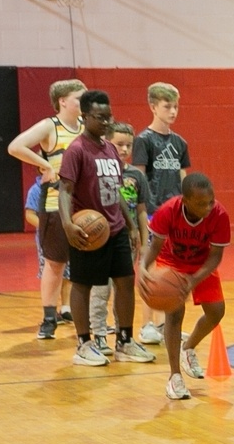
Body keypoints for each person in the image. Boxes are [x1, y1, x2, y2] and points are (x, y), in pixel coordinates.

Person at [58, 90, 154, 367]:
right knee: (82, 285)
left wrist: (131, 225)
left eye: (108, 116)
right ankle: (84, 343)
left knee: (125, 282)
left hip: (115, 229)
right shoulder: (76, 150)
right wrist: (67, 224)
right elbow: (65, 190)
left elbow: (119, 191)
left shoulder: (110, 148)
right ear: (85, 116)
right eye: (100, 117)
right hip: (89, 232)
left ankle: (124, 341)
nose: (106, 122)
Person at [138, 173, 231, 401]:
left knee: (217, 311)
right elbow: (155, 246)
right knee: (174, 312)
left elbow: (216, 257)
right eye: (201, 203)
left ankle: (188, 348)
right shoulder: (168, 211)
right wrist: (143, 266)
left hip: (202, 262)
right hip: (172, 262)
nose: (208, 207)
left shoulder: (219, 215)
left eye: (211, 201)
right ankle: (174, 377)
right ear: (185, 200)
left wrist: (193, 280)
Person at [8, 79, 86, 339]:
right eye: (79, 98)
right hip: (55, 206)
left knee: (87, 266)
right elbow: (15, 146)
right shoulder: (49, 126)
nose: (83, 103)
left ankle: (86, 318)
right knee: (55, 264)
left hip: (86, 210)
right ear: (63, 101)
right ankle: (49, 318)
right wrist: (46, 165)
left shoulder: (87, 128)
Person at [131, 82, 191, 345]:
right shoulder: (143, 140)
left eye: (176, 106)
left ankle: (168, 322)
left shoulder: (180, 142)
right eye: (168, 106)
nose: (173, 111)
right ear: (153, 107)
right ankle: (146, 325)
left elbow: (182, 175)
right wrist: (138, 214)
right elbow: (138, 177)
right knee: (150, 266)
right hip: (153, 213)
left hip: (175, 214)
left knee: (174, 269)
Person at [88, 122, 151, 355]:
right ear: (107, 143)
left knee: (123, 290)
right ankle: (99, 336)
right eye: (119, 144)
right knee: (100, 290)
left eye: (128, 145)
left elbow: (142, 210)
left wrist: (144, 242)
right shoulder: (99, 171)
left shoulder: (136, 175)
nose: (124, 149)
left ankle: (123, 337)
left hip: (128, 240)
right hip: (102, 239)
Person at [23, 175, 73, 329]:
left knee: (68, 273)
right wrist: (46, 226)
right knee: (51, 271)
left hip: (65, 234)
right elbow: (29, 215)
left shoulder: (64, 187)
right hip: (47, 237)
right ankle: (51, 311)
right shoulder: (36, 190)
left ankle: (66, 308)